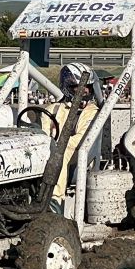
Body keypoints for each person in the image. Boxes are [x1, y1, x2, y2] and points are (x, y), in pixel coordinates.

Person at [42, 62, 100, 211]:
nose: (85, 91)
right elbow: (42, 134)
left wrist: (54, 145)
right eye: (79, 88)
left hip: (80, 155)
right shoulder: (52, 109)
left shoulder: (92, 112)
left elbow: (81, 140)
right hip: (49, 151)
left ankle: (54, 202)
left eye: (88, 87)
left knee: (62, 150)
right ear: (68, 88)